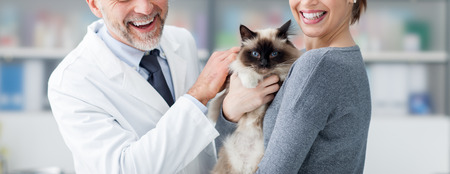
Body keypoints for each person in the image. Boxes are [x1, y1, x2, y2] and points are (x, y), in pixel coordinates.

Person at [47, 0, 279, 173]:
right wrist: (199, 93)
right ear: (95, 5)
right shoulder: (71, 82)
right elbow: (124, 169)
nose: (145, 8)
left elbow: (199, 141)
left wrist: (228, 111)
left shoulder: (181, 40)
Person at [216, 0, 371, 173]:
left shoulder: (317, 65)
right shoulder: (343, 57)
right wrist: (230, 112)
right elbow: (224, 156)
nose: (307, 2)